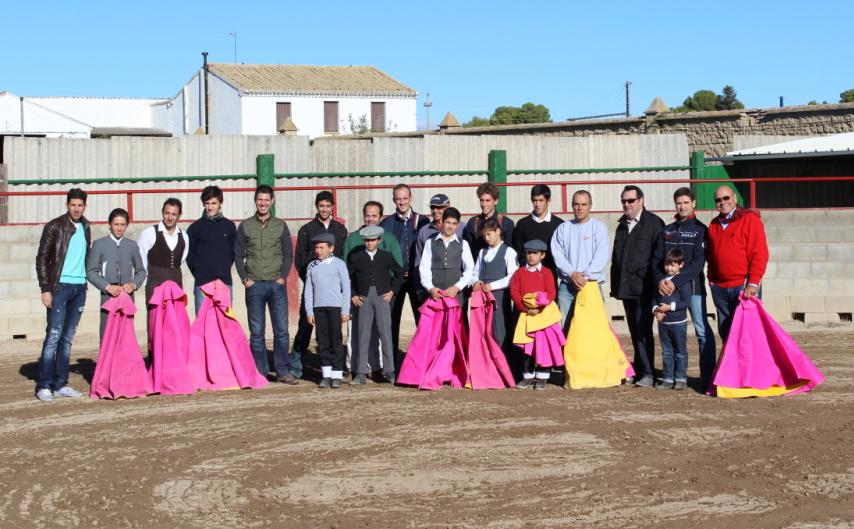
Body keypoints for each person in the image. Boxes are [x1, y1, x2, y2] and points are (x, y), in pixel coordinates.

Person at [652, 187, 716, 386]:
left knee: (701, 330)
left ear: (694, 203)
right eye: (679, 203)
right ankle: (673, 375)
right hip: (667, 292)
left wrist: (675, 281)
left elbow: (698, 263)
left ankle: (707, 376)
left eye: (686, 202)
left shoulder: (700, 229)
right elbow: (656, 259)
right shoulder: (667, 230)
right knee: (668, 332)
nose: (683, 206)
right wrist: (660, 280)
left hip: (694, 289)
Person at [234, 185, 297, 384]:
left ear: (272, 201)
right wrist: (246, 279)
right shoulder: (245, 226)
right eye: (260, 200)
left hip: (276, 284)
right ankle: (260, 372)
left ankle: (282, 371)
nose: (263, 203)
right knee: (257, 332)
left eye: (266, 200)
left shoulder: (280, 225)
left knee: (282, 331)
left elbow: (288, 254)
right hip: (255, 285)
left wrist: (283, 277)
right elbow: (238, 255)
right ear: (255, 201)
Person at [34, 188, 91, 402]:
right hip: (59, 287)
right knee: (53, 336)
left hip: (79, 288)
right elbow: (42, 258)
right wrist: (45, 288)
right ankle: (44, 385)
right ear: (67, 205)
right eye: (73, 205)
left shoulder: (86, 226)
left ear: (85, 206)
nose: (76, 208)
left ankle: (60, 383)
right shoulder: (54, 226)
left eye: (80, 205)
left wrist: (84, 284)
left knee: (67, 339)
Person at [610, 185, 664, 388]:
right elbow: (618, 259)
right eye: (624, 201)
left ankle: (649, 372)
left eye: (630, 201)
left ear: (641, 200)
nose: (627, 204)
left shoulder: (654, 223)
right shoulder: (622, 225)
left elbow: (658, 258)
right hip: (626, 288)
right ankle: (641, 370)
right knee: (634, 331)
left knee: (643, 331)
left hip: (645, 288)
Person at [291, 191, 348, 379]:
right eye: (321, 205)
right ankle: (296, 366)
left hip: (334, 292)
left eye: (327, 206)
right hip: (313, 288)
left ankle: (334, 368)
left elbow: (343, 257)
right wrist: (311, 283)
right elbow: (299, 261)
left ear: (332, 207)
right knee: (305, 326)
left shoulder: (340, 230)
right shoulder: (306, 230)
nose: (324, 209)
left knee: (333, 331)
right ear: (317, 207)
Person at [343, 200, 402, 376]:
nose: (370, 218)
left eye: (374, 215)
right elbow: (345, 273)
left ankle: (385, 369)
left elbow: (399, 271)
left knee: (384, 333)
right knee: (360, 334)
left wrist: (392, 290)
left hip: (382, 293)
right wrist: (352, 294)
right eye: (367, 215)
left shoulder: (388, 243)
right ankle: (357, 369)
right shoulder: (353, 244)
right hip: (361, 294)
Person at [706, 185, 769, 342]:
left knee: (748, 332)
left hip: (743, 286)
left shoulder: (750, 220)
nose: (723, 202)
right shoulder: (714, 224)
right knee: (725, 331)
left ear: (734, 198)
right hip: (719, 288)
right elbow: (711, 255)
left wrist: (753, 283)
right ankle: (732, 365)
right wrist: (712, 280)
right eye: (718, 200)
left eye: (726, 198)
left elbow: (759, 253)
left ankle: (751, 366)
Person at [551, 190, 610, 330]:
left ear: (590, 206)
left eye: (584, 204)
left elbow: (602, 255)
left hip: (591, 285)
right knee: (566, 327)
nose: (580, 208)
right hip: (567, 286)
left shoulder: (598, 228)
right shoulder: (563, 229)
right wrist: (572, 274)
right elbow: (558, 255)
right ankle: (567, 353)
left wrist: (584, 277)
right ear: (572, 205)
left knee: (593, 328)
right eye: (576, 204)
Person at [510, 240, 564, 390]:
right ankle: (527, 376)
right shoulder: (519, 272)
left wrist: (540, 307)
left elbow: (551, 292)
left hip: (543, 316)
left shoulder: (547, 273)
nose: (531, 256)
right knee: (527, 347)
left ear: (543, 255)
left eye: (535, 253)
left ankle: (542, 377)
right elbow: (514, 292)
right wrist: (525, 308)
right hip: (526, 314)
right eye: (528, 253)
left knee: (543, 346)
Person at [380, 184, 429, 348]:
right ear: (394, 200)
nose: (402, 202)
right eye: (398, 199)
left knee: (422, 321)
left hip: (417, 279)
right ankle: (391, 367)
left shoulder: (423, 221)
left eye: (405, 198)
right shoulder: (386, 224)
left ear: (411, 198)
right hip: (396, 279)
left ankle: (422, 364)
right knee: (391, 322)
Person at [86, 208, 146, 340]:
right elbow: (91, 272)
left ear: (127, 225)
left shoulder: (132, 245)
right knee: (107, 336)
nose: (119, 228)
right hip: (108, 296)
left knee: (126, 337)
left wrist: (133, 284)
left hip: (127, 296)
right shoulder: (99, 244)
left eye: (122, 225)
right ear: (110, 225)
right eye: (116, 224)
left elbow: (141, 271)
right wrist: (107, 286)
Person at [305, 233, 351, 389]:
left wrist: (345, 310)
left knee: (336, 341)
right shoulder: (312, 266)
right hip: (319, 308)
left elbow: (346, 288)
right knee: (322, 340)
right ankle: (326, 374)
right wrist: (309, 311)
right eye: (316, 248)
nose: (318, 251)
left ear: (331, 248)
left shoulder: (339, 264)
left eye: (321, 248)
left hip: (335, 308)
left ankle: (337, 374)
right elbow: (308, 290)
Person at [187, 185, 236, 316]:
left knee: (225, 323)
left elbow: (232, 253)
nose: (210, 207)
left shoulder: (230, 226)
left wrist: (222, 270)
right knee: (202, 323)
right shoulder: (194, 228)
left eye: (214, 203)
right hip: (202, 283)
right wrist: (200, 272)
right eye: (207, 203)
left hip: (224, 282)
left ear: (221, 203)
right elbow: (190, 256)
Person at [471, 218, 518, 353]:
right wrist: (476, 282)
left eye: (489, 234)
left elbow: (512, 278)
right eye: (484, 235)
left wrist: (492, 285)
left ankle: (505, 367)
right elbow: (475, 273)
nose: (486, 238)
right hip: (482, 298)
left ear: (498, 231)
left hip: (499, 297)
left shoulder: (509, 252)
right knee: (483, 332)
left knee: (499, 332)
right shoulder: (482, 252)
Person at [652, 249, 692, 390]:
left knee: (680, 351)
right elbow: (655, 299)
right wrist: (656, 310)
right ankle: (668, 378)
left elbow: (686, 302)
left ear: (680, 265)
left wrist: (669, 307)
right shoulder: (661, 281)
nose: (669, 268)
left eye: (673, 265)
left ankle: (681, 378)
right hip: (663, 323)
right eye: (667, 265)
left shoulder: (684, 282)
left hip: (678, 323)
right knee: (667, 351)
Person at [138, 198, 189, 305]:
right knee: (155, 320)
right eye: (167, 213)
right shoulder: (149, 233)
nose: (170, 217)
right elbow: (140, 260)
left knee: (175, 319)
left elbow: (181, 258)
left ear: (179, 215)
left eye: (174, 214)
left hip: (176, 283)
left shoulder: (184, 236)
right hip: (155, 283)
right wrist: (147, 283)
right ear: (162, 212)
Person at [419, 207, 475, 304]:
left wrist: (457, 287)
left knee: (457, 319)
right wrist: (430, 288)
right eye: (448, 222)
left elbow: (470, 269)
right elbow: (424, 268)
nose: (450, 226)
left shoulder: (463, 244)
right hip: (435, 295)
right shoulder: (430, 243)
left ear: (457, 225)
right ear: (442, 222)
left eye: (454, 224)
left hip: (456, 295)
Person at [512, 184, 563, 274]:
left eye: (541, 200)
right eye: (535, 200)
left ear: (548, 201)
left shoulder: (559, 225)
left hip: (550, 276)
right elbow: (518, 252)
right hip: (528, 275)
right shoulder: (522, 224)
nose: (537, 204)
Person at [463, 182, 514, 259]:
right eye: (481, 200)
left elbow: (510, 251)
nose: (484, 204)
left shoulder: (506, 223)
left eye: (487, 200)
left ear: (496, 201)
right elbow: (468, 251)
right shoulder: (473, 222)